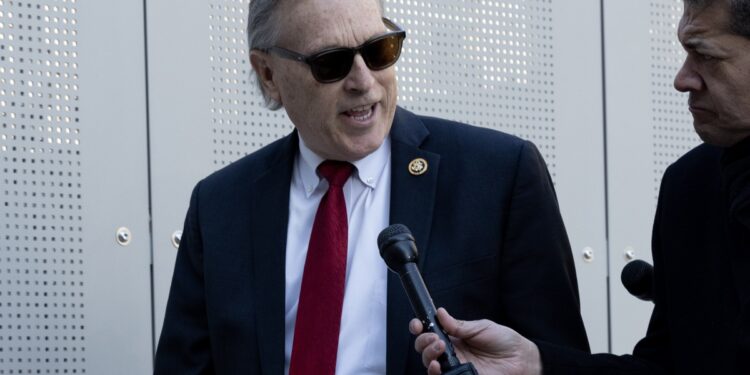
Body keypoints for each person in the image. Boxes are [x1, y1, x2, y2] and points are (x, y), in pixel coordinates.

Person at [153, 0, 592, 373]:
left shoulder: (499, 175)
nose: (364, 81)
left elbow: (559, 361)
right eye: (331, 62)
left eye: (379, 49)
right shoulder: (219, 206)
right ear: (268, 74)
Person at [411, 0, 750, 374]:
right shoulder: (690, 185)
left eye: (707, 56)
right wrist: (534, 363)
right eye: (686, 53)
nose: (682, 79)